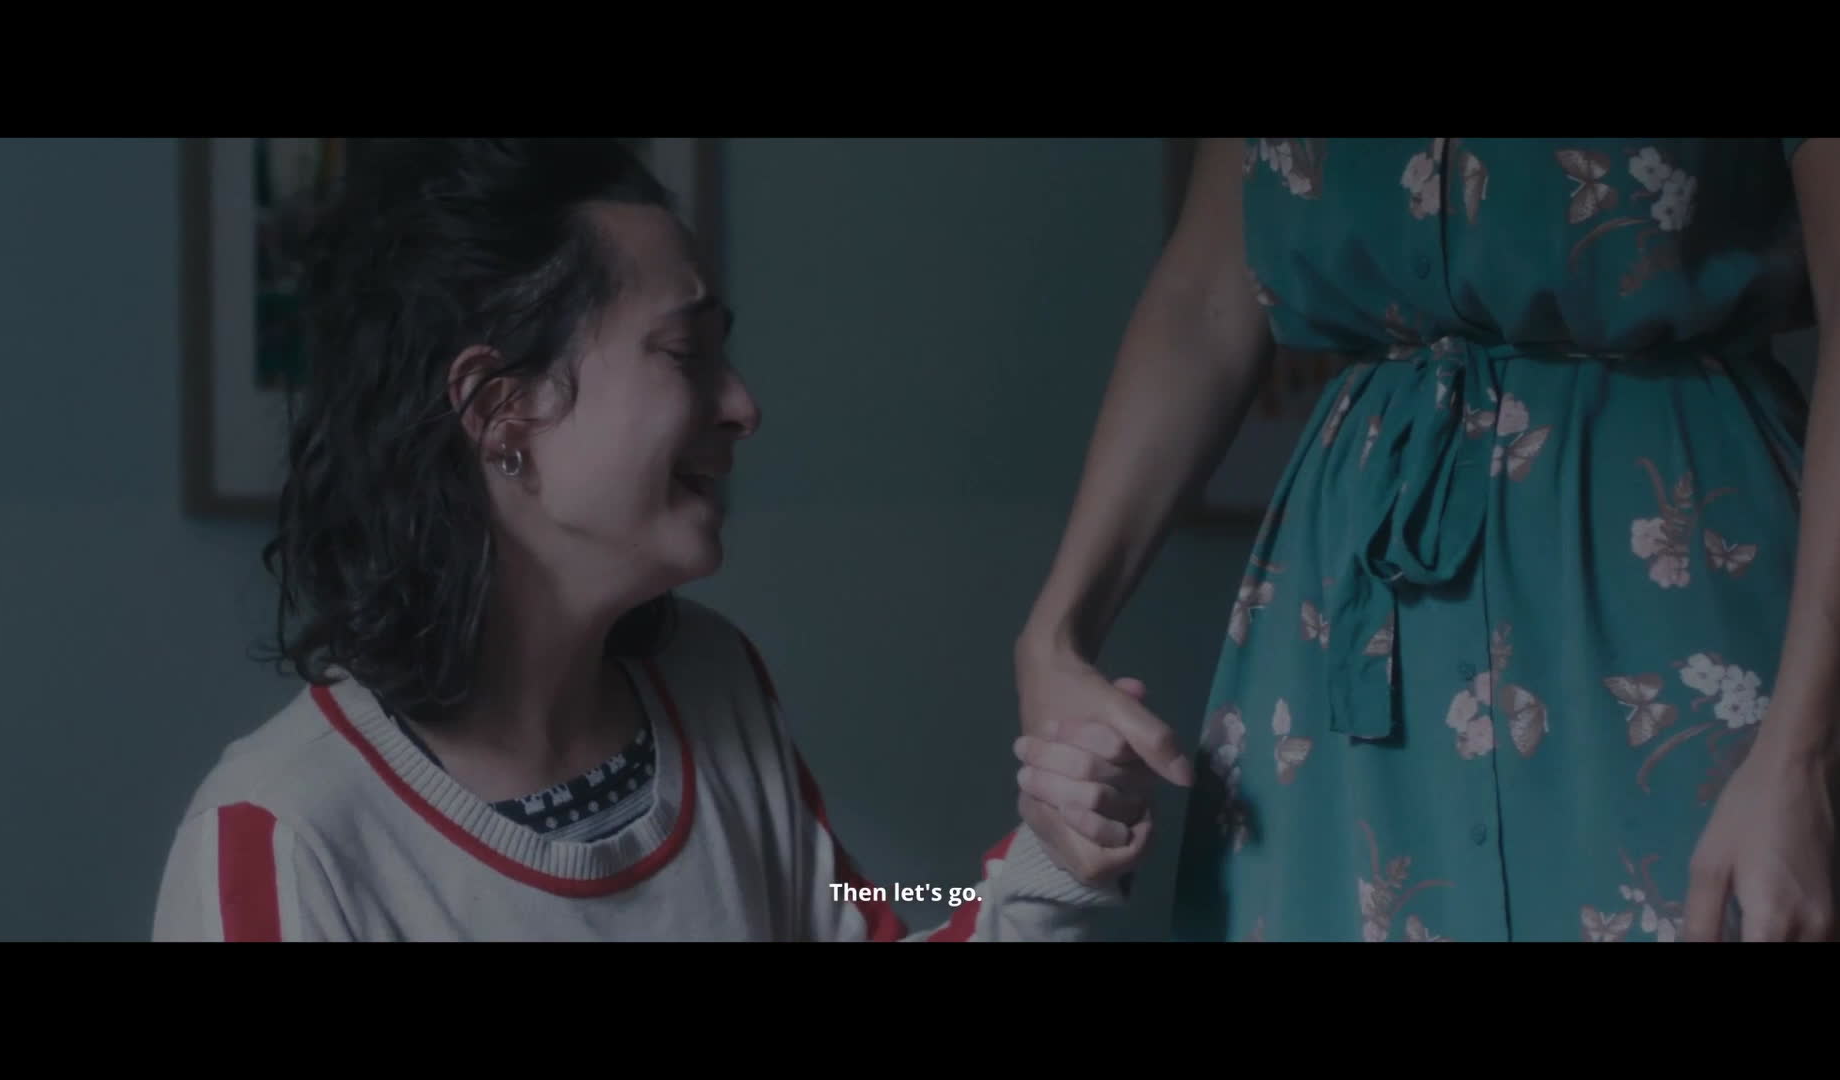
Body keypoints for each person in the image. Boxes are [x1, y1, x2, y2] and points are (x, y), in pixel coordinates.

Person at [152, 138, 1151, 942]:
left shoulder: (717, 684)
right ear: (500, 411)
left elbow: (867, 917)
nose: (743, 406)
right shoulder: (283, 839)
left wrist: (1052, 859)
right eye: (685, 353)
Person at [1013, 138, 1840, 941]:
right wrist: (1054, 634)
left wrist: (1804, 750)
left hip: (1673, 576)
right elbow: (1204, 296)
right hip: (1344, 620)